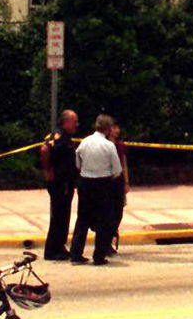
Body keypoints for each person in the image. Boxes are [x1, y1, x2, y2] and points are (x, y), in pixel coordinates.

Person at [69, 114, 122, 266]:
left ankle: (76, 253)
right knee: (103, 220)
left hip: (85, 183)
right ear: (108, 129)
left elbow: (77, 161)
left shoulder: (84, 142)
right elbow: (117, 170)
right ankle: (99, 256)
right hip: (103, 184)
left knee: (82, 219)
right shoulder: (109, 146)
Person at [40, 110, 80, 261]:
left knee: (64, 215)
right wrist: (47, 171)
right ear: (65, 122)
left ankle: (60, 246)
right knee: (58, 216)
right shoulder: (57, 136)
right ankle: (52, 250)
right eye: (74, 121)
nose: (76, 124)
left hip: (66, 181)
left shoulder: (65, 136)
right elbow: (44, 149)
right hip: (59, 182)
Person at [105, 119, 130, 256]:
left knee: (118, 212)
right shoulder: (104, 145)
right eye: (114, 128)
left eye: (117, 127)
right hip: (107, 182)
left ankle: (110, 236)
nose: (117, 131)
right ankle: (105, 242)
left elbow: (124, 163)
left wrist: (126, 182)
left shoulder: (120, 146)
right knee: (108, 213)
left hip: (119, 181)